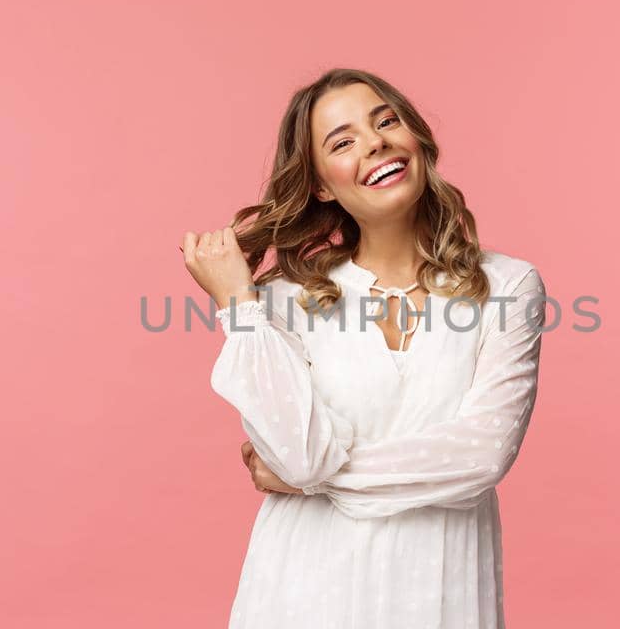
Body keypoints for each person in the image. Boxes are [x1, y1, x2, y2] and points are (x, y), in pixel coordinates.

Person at [180, 68, 546, 629]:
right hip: (301, 592)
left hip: (438, 592)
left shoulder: (508, 288)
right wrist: (237, 302)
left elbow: (481, 457)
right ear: (322, 184)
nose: (375, 142)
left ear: (416, 140)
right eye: (343, 141)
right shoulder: (280, 301)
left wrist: (314, 480)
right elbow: (300, 456)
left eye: (386, 121)